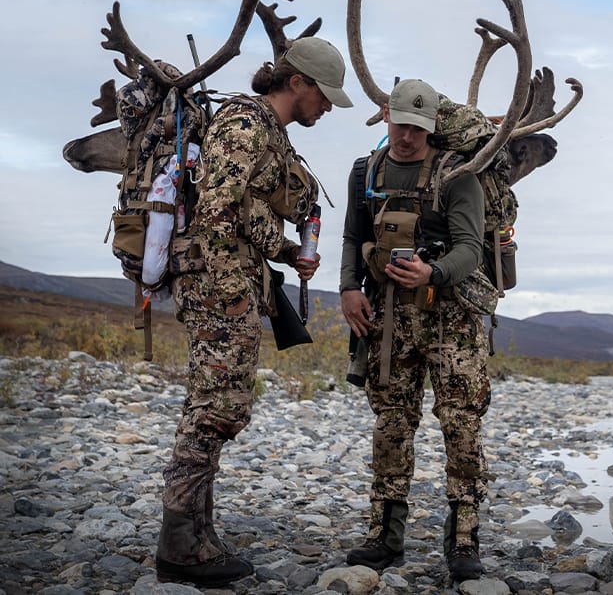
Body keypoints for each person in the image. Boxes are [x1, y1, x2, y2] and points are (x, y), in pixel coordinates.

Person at [155, 37, 354, 586]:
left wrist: (290, 252)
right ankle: (179, 543)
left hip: (233, 280)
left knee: (212, 402)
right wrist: (231, 295)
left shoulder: (270, 132)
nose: (325, 108)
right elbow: (217, 212)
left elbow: (247, 215)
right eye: (323, 96)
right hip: (221, 285)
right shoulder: (245, 125)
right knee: (220, 406)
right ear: (297, 84)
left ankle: (196, 530)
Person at [339, 78, 492, 581]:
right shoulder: (366, 171)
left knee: (461, 424)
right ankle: (384, 534)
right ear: (387, 116)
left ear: (433, 127)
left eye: (419, 129)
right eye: (402, 125)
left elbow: (470, 246)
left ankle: (464, 536)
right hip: (386, 320)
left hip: (454, 321)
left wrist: (435, 271)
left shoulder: (459, 174)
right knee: (391, 424)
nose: (408, 137)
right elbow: (352, 236)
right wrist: (348, 289)